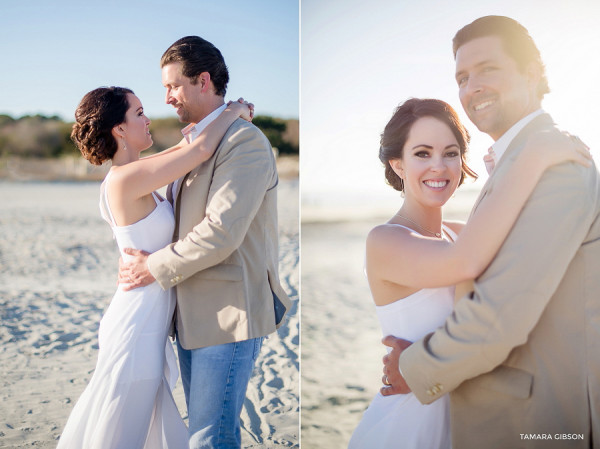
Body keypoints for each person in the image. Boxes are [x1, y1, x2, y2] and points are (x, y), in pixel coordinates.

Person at [381, 16, 600, 449]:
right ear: (398, 164)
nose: (472, 86)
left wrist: (415, 367)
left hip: (533, 421)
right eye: (462, 77)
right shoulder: (529, 159)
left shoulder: (555, 166)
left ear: (532, 72)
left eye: (488, 69)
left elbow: (499, 318)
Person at [347, 97, 590, 448]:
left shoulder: (460, 233)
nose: (439, 167)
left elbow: (514, 253)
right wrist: (530, 160)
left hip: (468, 416)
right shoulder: (384, 241)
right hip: (413, 421)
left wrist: (508, 172)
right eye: (422, 153)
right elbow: (466, 262)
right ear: (398, 164)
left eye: (450, 153)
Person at [117, 36, 292, 448]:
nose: (167, 98)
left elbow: (221, 232)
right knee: (206, 432)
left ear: (203, 81)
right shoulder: (196, 143)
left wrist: (151, 267)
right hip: (190, 317)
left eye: (173, 86)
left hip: (228, 315)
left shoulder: (244, 142)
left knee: (209, 439)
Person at [57, 86, 253, 448]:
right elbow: (199, 151)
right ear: (119, 128)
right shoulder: (124, 179)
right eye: (139, 112)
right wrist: (233, 110)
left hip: (150, 317)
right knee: (122, 421)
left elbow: (185, 149)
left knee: (142, 418)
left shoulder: (133, 171)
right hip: (138, 323)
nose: (148, 120)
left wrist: (212, 120)